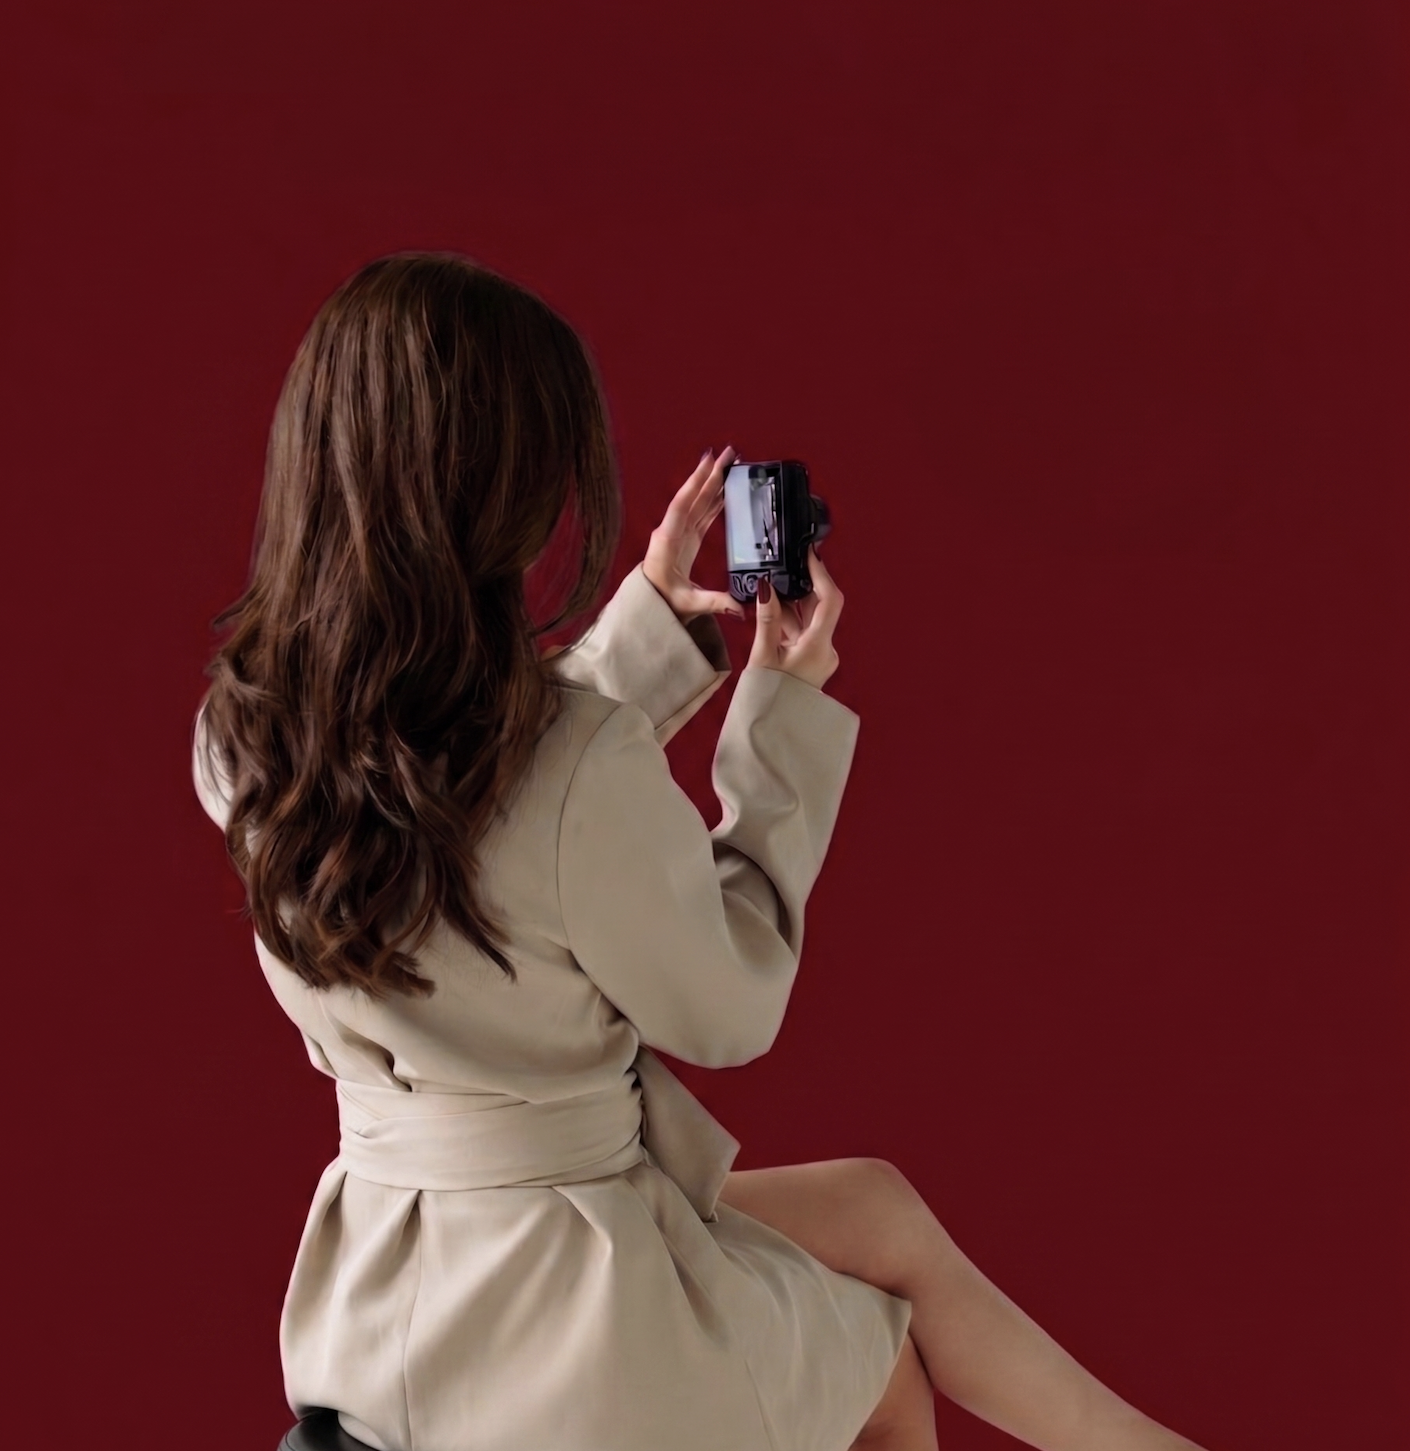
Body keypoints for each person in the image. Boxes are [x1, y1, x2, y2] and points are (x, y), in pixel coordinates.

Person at [192, 250, 1215, 1451]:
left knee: (875, 1207)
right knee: (882, 1371)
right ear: (509, 493)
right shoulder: (568, 761)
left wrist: (648, 634)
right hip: (573, 1320)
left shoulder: (246, 731)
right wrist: (774, 723)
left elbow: (473, 805)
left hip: (387, 1291)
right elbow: (729, 1008)